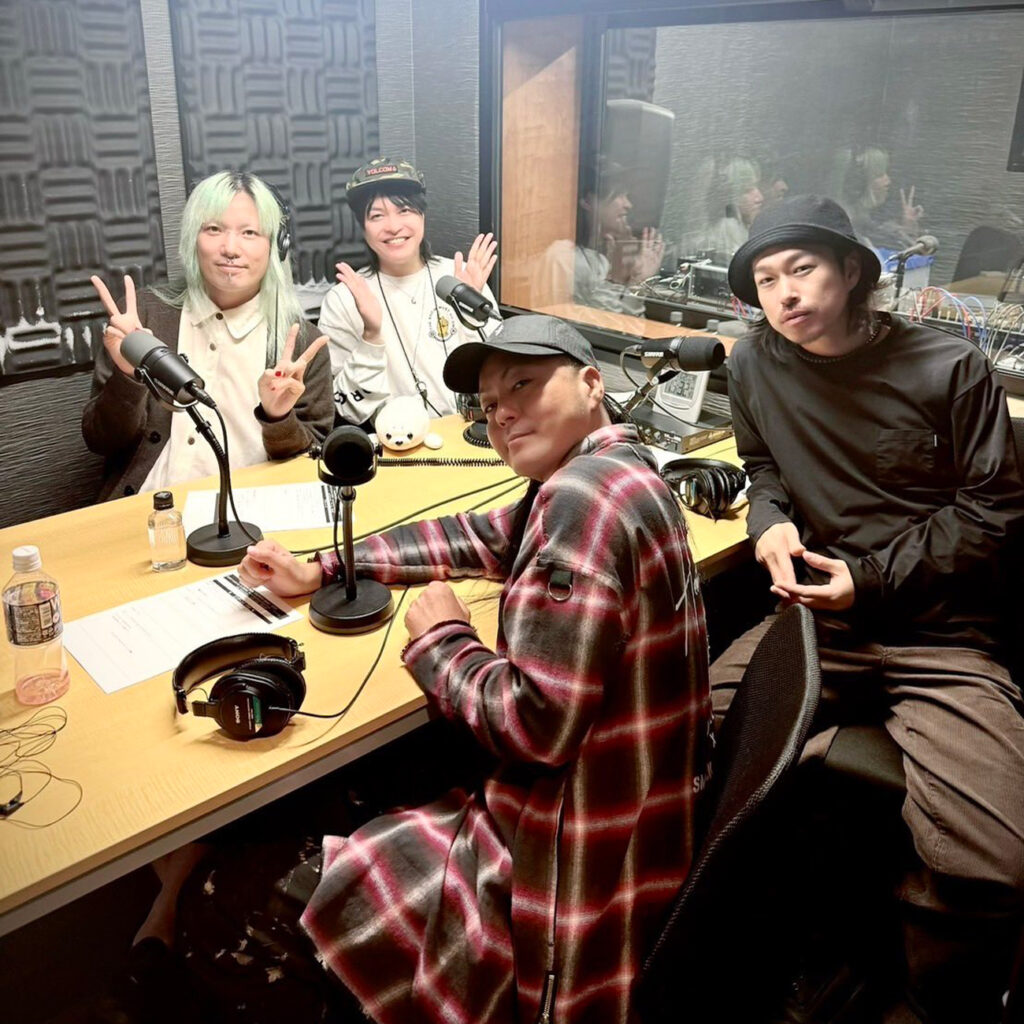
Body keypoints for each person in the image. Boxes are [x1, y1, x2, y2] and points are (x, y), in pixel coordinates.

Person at [117, 314, 711, 1024]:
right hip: (631, 831)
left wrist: (442, 639)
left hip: (557, 871)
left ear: (591, 383)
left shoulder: (583, 501)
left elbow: (536, 728)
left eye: (523, 384)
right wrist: (327, 566)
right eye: (489, 404)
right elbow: (478, 535)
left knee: (228, 897)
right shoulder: (615, 470)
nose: (502, 413)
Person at [717, 194, 1024, 1023]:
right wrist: (769, 523)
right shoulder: (753, 365)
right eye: (767, 280)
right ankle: (769, 952)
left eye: (802, 269)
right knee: (690, 743)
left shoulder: (949, 369)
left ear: (852, 271)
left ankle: (924, 1001)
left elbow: (994, 509)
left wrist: (872, 579)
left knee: (995, 865)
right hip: (821, 624)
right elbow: (761, 467)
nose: (785, 293)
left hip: (940, 635)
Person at [82, 170, 333, 501]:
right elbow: (100, 441)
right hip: (152, 507)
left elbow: (312, 461)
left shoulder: (301, 343)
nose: (230, 248)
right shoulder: (143, 316)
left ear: (276, 245)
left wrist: (278, 418)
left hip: (253, 509)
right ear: (193, 238)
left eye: (249, 232)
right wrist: (129, 379)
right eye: (214, 229)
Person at [318, 157, 499, 425]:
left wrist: (473, 319)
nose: (393, 226)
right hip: (396, 443)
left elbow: (501, 377)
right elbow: (347, 408)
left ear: (422, 216)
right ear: (363, 227)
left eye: (404, 210)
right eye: (377, 215)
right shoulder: (343, 299)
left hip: (468, 434)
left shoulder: (458, 278)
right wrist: (371, 336)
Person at [534, 173, 665, 315]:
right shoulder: (561, 257)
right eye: (618, 194)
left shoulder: (601, 259)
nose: (628, 204)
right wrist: (622, 280)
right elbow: (565, 325)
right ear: (588, 201)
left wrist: (636, 281)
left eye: (626, 195)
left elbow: (629, 324)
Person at [839, 145, 925, 251]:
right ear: (861, 182)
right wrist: (907, 234)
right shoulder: (855, 228)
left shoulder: (873, 221)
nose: (888, 181)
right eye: (879, 175)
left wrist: (909, 226)